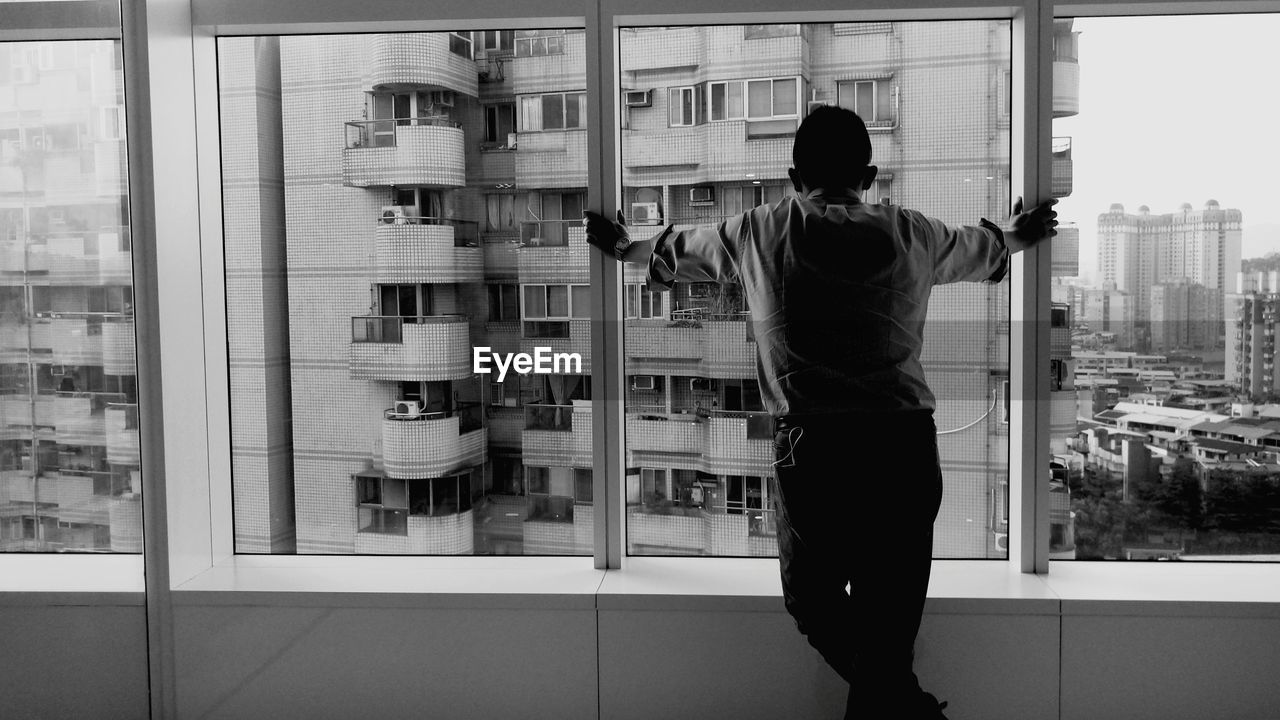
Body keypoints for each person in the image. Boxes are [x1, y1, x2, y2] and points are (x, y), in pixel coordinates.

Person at [584, 105, 1056, 720]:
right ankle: (906, 708)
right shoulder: (911, 233)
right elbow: (988, 248)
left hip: (816, 446)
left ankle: (909, 711)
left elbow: (672, 251)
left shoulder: (759, 231)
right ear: (871, 172)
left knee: (814, 600)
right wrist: (1021, 233)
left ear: (792, 174)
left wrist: (622, 246)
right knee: (889, 621)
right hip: (902, 443)